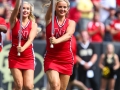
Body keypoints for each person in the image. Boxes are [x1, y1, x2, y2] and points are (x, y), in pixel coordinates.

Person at [44, 0, 76, 90]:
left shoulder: (71, 22)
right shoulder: (49, 19)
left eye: (65, 7)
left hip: (66, 59)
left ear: (68, 9)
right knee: (55, 85)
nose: (62, 9)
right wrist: (53, 2)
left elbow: (68, 35)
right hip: (51, 58)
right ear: (56, 8)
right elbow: (50, 11)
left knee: (62, 88)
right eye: (60, 7)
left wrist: (56, 41)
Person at [8, 0, 37, 90]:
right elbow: (15, 8)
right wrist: (18, 2)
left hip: (28, 56)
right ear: (19, 10)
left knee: (28, 86)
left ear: (30, 11)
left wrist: (23, 48)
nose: (25, 10)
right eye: (23, 8)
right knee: (19, 85)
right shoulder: (14, 21)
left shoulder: (33, 24)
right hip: (15, 56)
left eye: (28, 9)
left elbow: (30, 39)